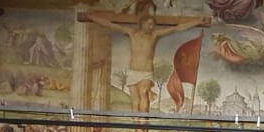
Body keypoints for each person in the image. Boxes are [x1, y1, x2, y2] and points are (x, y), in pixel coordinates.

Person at [79, 12, 210, 111]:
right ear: (142, 24)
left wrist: (197, 21)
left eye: (152, 25)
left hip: (146, 71)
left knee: (144, 94)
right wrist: (91, 17)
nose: (151, 27)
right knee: (135, 101)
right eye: (149, 24)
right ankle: (136, 125)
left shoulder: (154, 35)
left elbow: (177, 28)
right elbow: (110, 24)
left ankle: (142, 120)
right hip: (133, 71)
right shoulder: (132, 33)